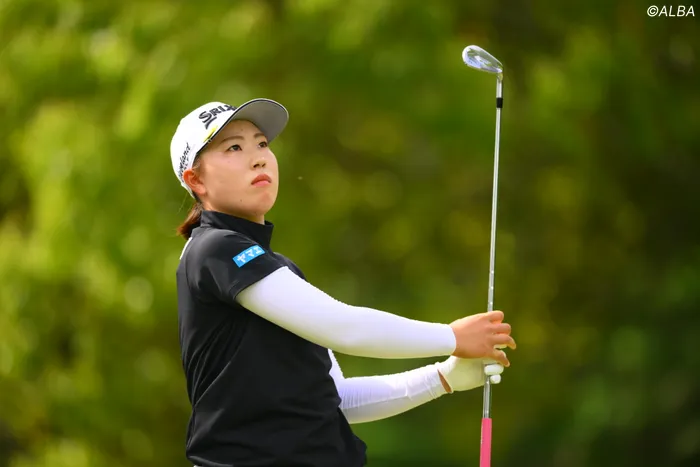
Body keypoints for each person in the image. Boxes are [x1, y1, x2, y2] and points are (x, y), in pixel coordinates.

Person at [169, 98, 517, 467]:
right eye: (234, 148)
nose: (258, 158)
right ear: (196, 180)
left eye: (262, 143)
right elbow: (345, 328)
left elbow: (338, 398)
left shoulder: (277, 270)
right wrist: (452, 336)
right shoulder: (214, 249)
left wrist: (443, 377)